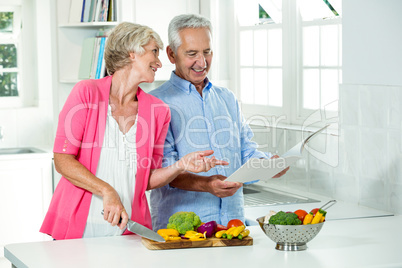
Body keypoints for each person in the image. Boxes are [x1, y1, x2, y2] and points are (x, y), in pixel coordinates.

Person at [40, 22, 227, 240]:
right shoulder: (87, 93)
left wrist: (180, 165)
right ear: (132, 53)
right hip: (80, 225)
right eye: (154, 52)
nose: (159, 62)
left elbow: (146, 179)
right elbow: (63, 160)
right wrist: (106, 190)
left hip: (128, 228)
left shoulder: (158, 111)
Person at [149, 14, 289, 231]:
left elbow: (245, 152)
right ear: (171, 54)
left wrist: (268, 165)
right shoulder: (157, 102)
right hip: (182, 232)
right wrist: (207, 185)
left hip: (233, 225)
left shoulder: (227, 99)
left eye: (207, 52)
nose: (202, 62)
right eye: (192, 53)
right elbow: (163, 172)